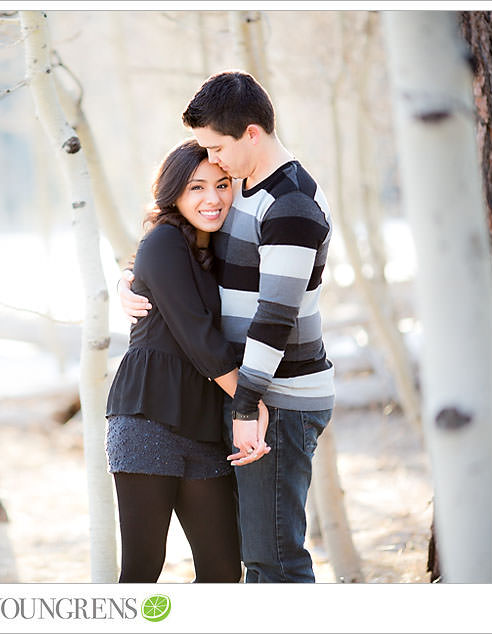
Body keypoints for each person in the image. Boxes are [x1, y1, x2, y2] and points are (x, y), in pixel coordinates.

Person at [119, 70, 335, 583]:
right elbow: (187, 252)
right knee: (251, 560)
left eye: (216, 148)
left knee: (273, 561)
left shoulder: (292, 206)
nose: (213, 160)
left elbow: (275, 317)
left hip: (273, 401)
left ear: (251, 135)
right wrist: (132, 278)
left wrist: (246, 405)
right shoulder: (248, 192)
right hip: (246, 396)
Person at [105, 138, 270, 583]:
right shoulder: (162, 241)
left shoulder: (218, 247)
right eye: (196, 187)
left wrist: (126, 274)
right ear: (174, 192)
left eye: (221, 184)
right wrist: (250, 401)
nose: (212, 198)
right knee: (142, 570)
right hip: (147, 418)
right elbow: (196, 335)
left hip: (201, 424)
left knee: (221, 570)